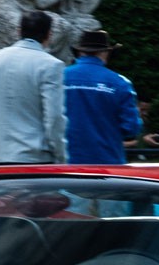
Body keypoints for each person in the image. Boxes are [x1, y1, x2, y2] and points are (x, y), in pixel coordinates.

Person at [0, 9, 67, 165]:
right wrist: (59, 155)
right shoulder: (51, 65)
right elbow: (54, 117)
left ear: (19, 31)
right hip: (35, 157)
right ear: (49, 34)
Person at [63, 30, 149, 165]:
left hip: (65, 162)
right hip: (107, 163)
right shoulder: (120, 83)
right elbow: (131, 128)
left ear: (80, 52)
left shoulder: (60, 77)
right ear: (106, 52)